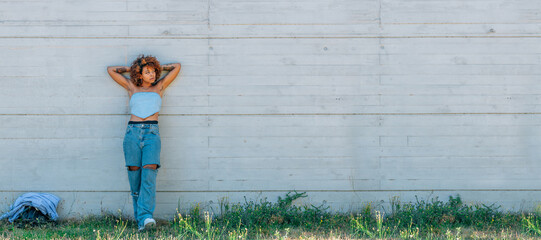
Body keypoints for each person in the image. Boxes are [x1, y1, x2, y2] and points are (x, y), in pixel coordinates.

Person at [107, 55, 181, 231]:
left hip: (151, 134)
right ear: (139, 74)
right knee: (135, 178)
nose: (152, 74)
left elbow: (177, 67)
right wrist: (133, 70)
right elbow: (111, 70)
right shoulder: (132, 87)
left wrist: (157, 66)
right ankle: (143, 222)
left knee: (149, 176)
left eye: (154, 71)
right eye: (147, 72)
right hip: (132, 133)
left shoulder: (159, 87)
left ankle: (146, 217)